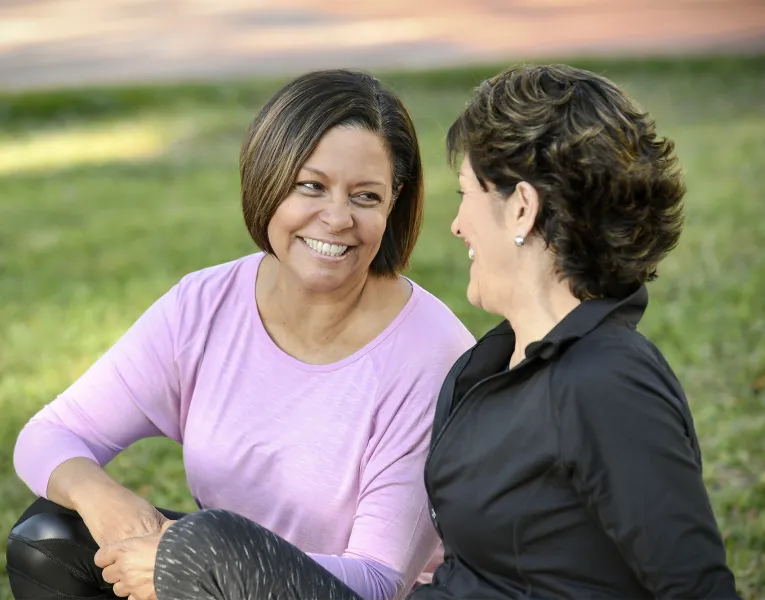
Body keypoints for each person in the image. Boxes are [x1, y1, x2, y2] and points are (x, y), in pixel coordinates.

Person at [120, 63, 742, 600]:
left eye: (468, 194)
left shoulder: (608, 380)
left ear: (521, 208)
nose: (457, 225)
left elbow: (697, 586)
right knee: (61, 544)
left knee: (206, 544)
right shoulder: (494, 365)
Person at [6, 69, 476, 600]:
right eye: (311, 186)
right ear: (267, 180)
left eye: (366, 196)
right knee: (51, 540)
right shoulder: (205, 305)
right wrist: (107, 502)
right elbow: (48, 435)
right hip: (220, 579)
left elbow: (376, 583)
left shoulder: (432, 355)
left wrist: (191, 562)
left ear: (393, 204)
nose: (338, 218)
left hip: (339, 595)